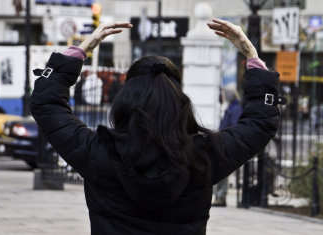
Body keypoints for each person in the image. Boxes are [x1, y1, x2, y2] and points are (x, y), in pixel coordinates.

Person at [30, 19, 282, 234]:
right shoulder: (204, 156)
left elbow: (46, 104)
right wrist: (252, 55)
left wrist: (78, 52)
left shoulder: (99, 152)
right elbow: (260, 122)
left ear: (125, 99)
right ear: (179, 102)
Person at [212, 86, 243, 207]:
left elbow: (235, 127)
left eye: (224, 94)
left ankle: (221, 196)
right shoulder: (231, 107)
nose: (222, 96)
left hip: (227, 144)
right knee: (220, 170)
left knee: (222, 171)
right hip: (223, 143)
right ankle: (219, 196)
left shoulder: (235, 109)